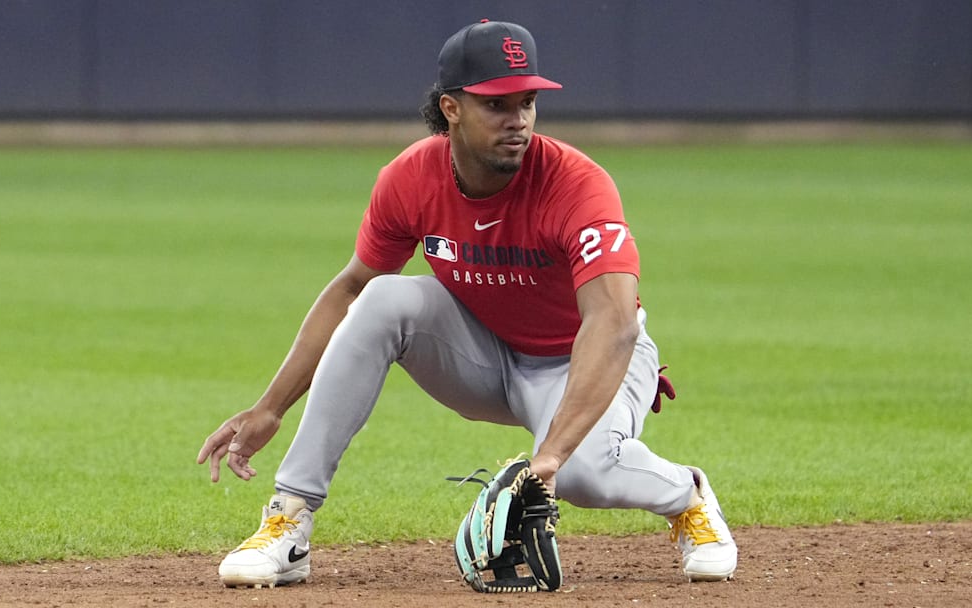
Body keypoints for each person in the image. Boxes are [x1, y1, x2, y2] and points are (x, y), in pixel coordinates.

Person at [197, 19, 738, 589]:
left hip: (584, 360)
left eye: (527, 101)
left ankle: (688, 495)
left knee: (583, 476)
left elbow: (614, 323)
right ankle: (289, 520)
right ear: (451, 108)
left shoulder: (576, 184)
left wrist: (549, 459)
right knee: (384, 297)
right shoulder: (410, 178)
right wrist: (271, 407)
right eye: (498, 104)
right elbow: (351, 288)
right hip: (484, 353)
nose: (519, 119)